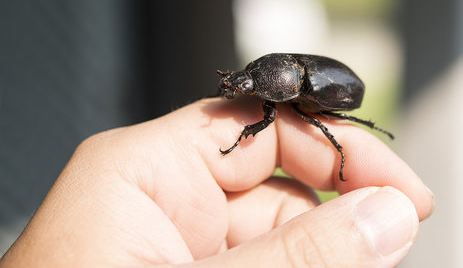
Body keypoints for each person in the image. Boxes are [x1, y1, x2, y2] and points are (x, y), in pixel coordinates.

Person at [0, 98, 434, 267]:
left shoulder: (293, 94)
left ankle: (344, 144)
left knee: (327, 128)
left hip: (334, 89)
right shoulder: (274, 91)